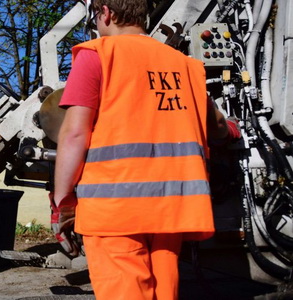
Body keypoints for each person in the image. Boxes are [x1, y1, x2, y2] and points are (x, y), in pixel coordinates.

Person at [52, 0, 239, 299]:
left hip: (114, 208)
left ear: (106, 13)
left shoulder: (96, 55)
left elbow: (75, 134)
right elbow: (215, 125)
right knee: (164, 290)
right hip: (172, 208)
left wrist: (62, 200)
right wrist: (231, 129)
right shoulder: (186, 66)